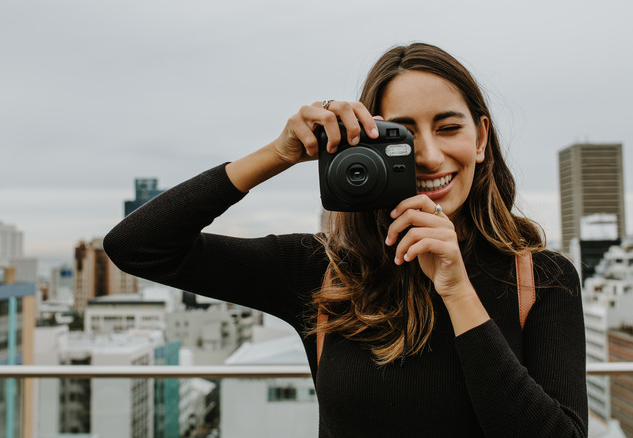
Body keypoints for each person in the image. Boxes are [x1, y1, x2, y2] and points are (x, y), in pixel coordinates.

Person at [104, 42, 587, 437]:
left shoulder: (541, 280)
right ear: (365, 143)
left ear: (481, 138)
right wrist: (279, 153)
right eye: (402, 134)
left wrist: (457, 290)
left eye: (448, 127)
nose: (430, 155)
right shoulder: (325, 270)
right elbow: (138, 245)